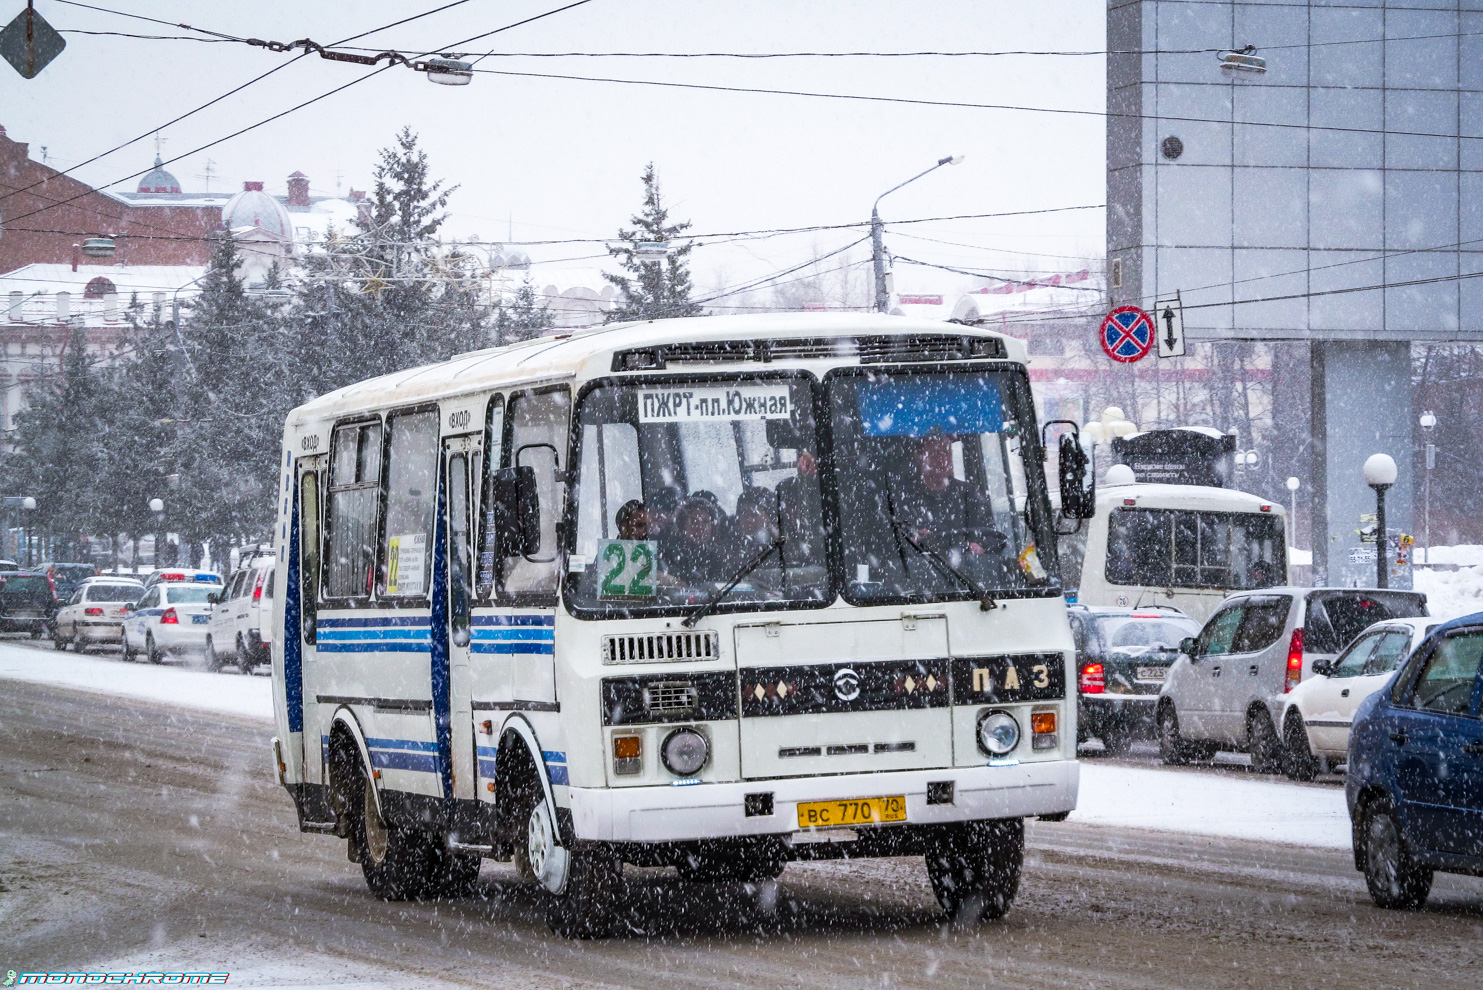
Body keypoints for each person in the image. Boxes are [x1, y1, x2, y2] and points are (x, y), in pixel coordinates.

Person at [898, 432, 1004, 557]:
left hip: (965, 573)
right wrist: (913, 539)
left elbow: (992, 536)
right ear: (919, 457)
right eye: (935, 453)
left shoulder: (969, 494)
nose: (942, 459)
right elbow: (893, 541)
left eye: (946, 452)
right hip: (919, 569)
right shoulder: (904, 496)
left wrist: (980, 545)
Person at [663, 496, 730, 585]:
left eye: (705, 522)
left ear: (712, 527)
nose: (700, 528)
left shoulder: (716, 556)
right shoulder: (669, 553)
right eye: (694, 522)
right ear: (682, 525)